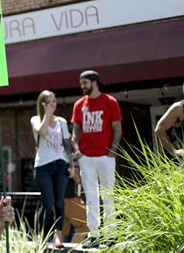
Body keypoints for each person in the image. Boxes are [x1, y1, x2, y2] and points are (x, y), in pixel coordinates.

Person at [71, 70, 122, 249]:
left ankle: (111, 235)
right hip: (86, 158)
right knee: (91, 197)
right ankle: (94, 236)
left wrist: (111, 153)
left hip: (106, 157)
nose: (82, 86)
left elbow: (117, 129)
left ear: (95, 82)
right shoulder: (79, 104)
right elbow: (75, 131)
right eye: (81, 83)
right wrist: (78, 153)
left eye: (85, 83)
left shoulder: (110, 102)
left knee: (108, 196)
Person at [31, 90, 74, 248]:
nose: (52, 105)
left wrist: (72, 165)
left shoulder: (62, 121)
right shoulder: (36, 119)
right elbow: (41, 132)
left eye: (54, 102)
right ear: (42, 104)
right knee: (47, 203)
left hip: (61, 165)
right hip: (43, 166)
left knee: (59, 203)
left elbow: (67, 144)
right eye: (49, 102)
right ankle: (41, 236)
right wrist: (47, 114)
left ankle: (58, 236)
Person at [61, 163, 89, 244]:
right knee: (84, 225)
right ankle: (73, 250)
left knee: (61, 229)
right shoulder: (72, 161)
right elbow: (77, 179)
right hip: (70, 199)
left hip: (58, 199)